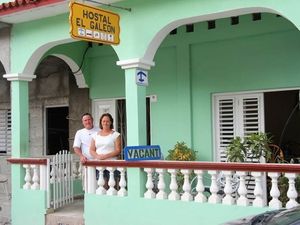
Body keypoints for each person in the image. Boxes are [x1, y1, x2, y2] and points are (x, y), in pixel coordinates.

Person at [90, 113, 121, 189]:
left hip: (112, 163)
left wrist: (105, 156)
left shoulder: (116, 135)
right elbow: (91, 150)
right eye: (103, 121)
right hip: (99, 164)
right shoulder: (95, 135)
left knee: (113, 186)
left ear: (111, 122)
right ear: (101, 122)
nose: (105, 123)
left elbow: (118, 150)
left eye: (107, 121)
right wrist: (98, 156)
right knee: (103, 186)